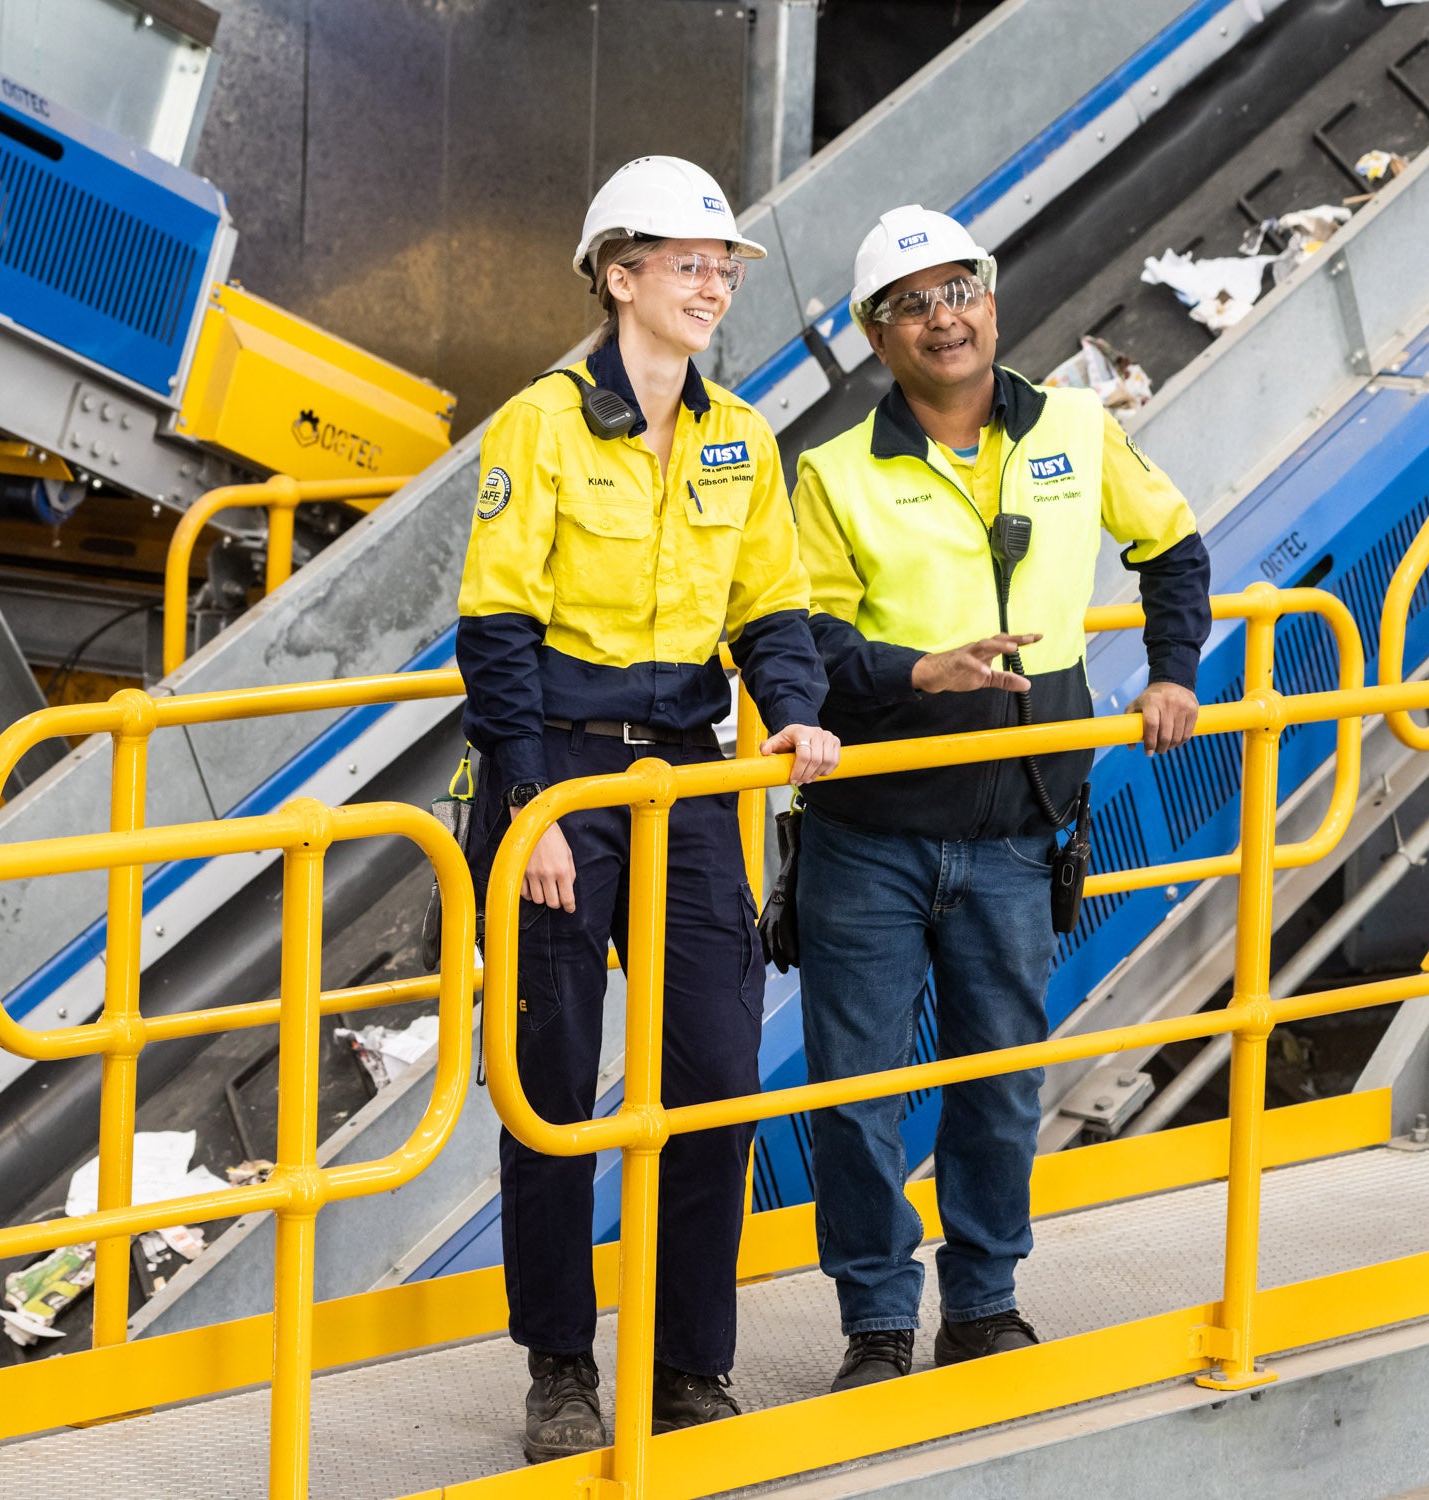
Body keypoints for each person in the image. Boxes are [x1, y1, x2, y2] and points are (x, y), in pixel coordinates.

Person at [456, 155, 841, 1461]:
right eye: (688, 262)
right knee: (554, 1088)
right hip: (557, 777)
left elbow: (771, 608)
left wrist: (788, 703)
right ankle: (560, 1370)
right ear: (617, 276)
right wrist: (530, 813)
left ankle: (687, 1369)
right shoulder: (539, 428)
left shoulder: (742, 438)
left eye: (722, 265)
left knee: (716, 1081)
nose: (713, 284)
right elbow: (495, 633)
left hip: (687, 775)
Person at [789, 205, 1211, 1389]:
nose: (945, 317)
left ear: (991, 297)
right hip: (870, 835)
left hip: (1022, 830)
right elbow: (805, 638)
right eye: (912, 304)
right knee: (858, 1094)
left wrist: (1172, 672)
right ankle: (876, 1326)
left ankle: (984, 1304)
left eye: (959, 289)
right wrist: (918, 672)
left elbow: (1172, 549)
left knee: (999, 1079)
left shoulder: (1076, 425)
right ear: (880, 337)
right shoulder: (833, 474)